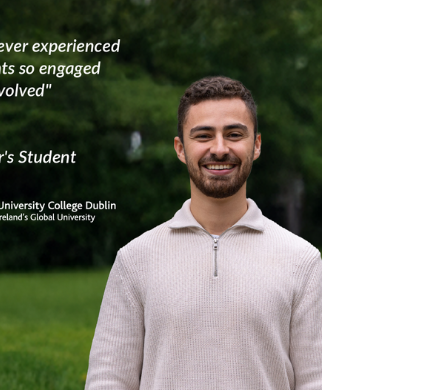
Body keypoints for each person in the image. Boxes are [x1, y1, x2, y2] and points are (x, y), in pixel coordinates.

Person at [85, 76, 322, 390]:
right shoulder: (134, 261)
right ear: (180, 148)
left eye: (234, 134)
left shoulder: (303, 262)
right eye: (203, 135)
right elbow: (108, 381)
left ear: (256, 145)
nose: (220, 149)